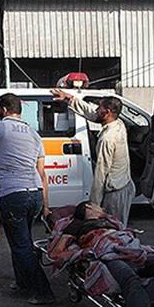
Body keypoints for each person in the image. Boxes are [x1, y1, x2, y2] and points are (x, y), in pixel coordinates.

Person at [0, 93, 55, 305]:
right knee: (22, 239)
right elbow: (42, 173)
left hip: (14, 195)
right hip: (35, 194)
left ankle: (43, 292)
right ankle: (23, 282)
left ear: (4, 110)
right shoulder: (34, 134)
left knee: (21, 244)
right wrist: (46, 206)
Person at [51, 89, 135, 224]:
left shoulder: (108, 138)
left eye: (99, 108)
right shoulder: (118, 123)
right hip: (123, 185)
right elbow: (92, 114)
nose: (96, 110)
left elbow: (101, 173)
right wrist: (70, 99)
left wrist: (94, 205)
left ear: (107, 112)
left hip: (115, 193)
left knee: (112, 229)